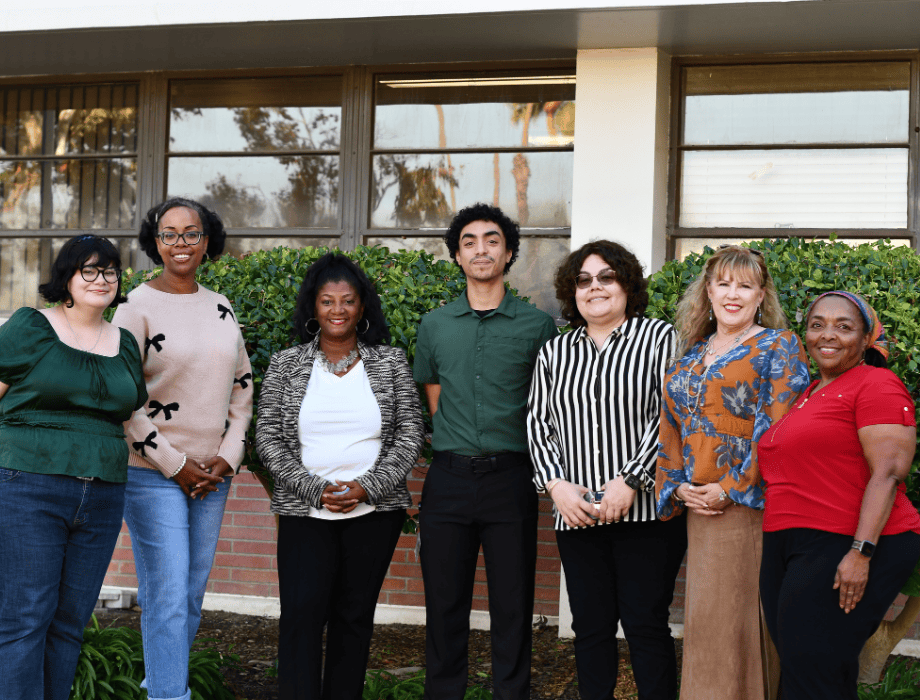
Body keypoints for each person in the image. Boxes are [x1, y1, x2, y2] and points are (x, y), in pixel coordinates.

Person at [256, 252, 424, 700]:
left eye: (347, 301)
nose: (337, 310)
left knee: (354, 618)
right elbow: (267, 439)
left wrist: (367, 486)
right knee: (300, 616)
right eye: (327, 301)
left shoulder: (389, 363)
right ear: (313, 307)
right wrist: (316, 490)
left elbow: (410, 433)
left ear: (362, 307)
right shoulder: (285, 364)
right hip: (304, 512)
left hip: (375, 513)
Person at [527, 240, 687, 700]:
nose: (594, 288)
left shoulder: (661, 340)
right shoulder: (555, 352)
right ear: (571, 291)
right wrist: (556, 487)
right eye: (583, 280)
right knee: (590, 627)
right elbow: (539, 424)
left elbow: (674, 417)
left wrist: (632, 479)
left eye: (606, 277)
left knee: (645, 625)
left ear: (626, 284)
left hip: (645, 517)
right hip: (576, 515)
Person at [414, 202, 558, 700]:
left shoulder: (537, 327)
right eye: (470, 241)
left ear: (509, 252)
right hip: (448, 481)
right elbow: (434, 397)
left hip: (510, 480)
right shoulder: (434, 325)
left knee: (513, 605)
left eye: (492, 240)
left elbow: (547, 403)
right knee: (444, 604)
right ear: (457, 255)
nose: (481, 249)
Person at [654, 245, 811, 700]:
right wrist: (678, 485)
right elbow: (671, 426)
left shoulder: (778, 346)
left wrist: (731, 486)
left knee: (735, 619)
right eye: (723, 283)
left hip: (749, 506)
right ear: (708, 290)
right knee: (706, 618)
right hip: (697, 504)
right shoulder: (691, 354)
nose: (733, 294)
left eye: (744, 285)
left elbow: (780, 428)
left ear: (761, 295)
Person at [113, 197, 253, 700]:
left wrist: (227, 457)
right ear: (155, 243)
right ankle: (170, 695)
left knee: (189, 597)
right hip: (151, 471)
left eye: (190, 233)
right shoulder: (134, 308)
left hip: (212, 474)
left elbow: (242, 388)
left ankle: (160, 683)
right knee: (168, 594)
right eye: (169, 234)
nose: (180, 244)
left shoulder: (221, 305)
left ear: (207, 240)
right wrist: (175, 465)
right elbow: (123, 398)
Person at [0, 235, 146, 700]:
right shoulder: (31, 326)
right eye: (89, 269)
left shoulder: (124, 343)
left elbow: (130, 416)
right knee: (26, 617)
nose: (102, 279)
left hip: (102, 493)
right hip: (28, 485)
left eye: (110, 271)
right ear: (66, 277)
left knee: (70, 622)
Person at [758, 290, 920, 700]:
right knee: (811, 667)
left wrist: (861, 552)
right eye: (817, 324)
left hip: (844, 541)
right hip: (791, 540)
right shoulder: (809, 393)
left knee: (812, 671)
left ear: (867, 339)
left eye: (844, 326)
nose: (827, 335)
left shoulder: (878, 384)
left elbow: (888, 472)